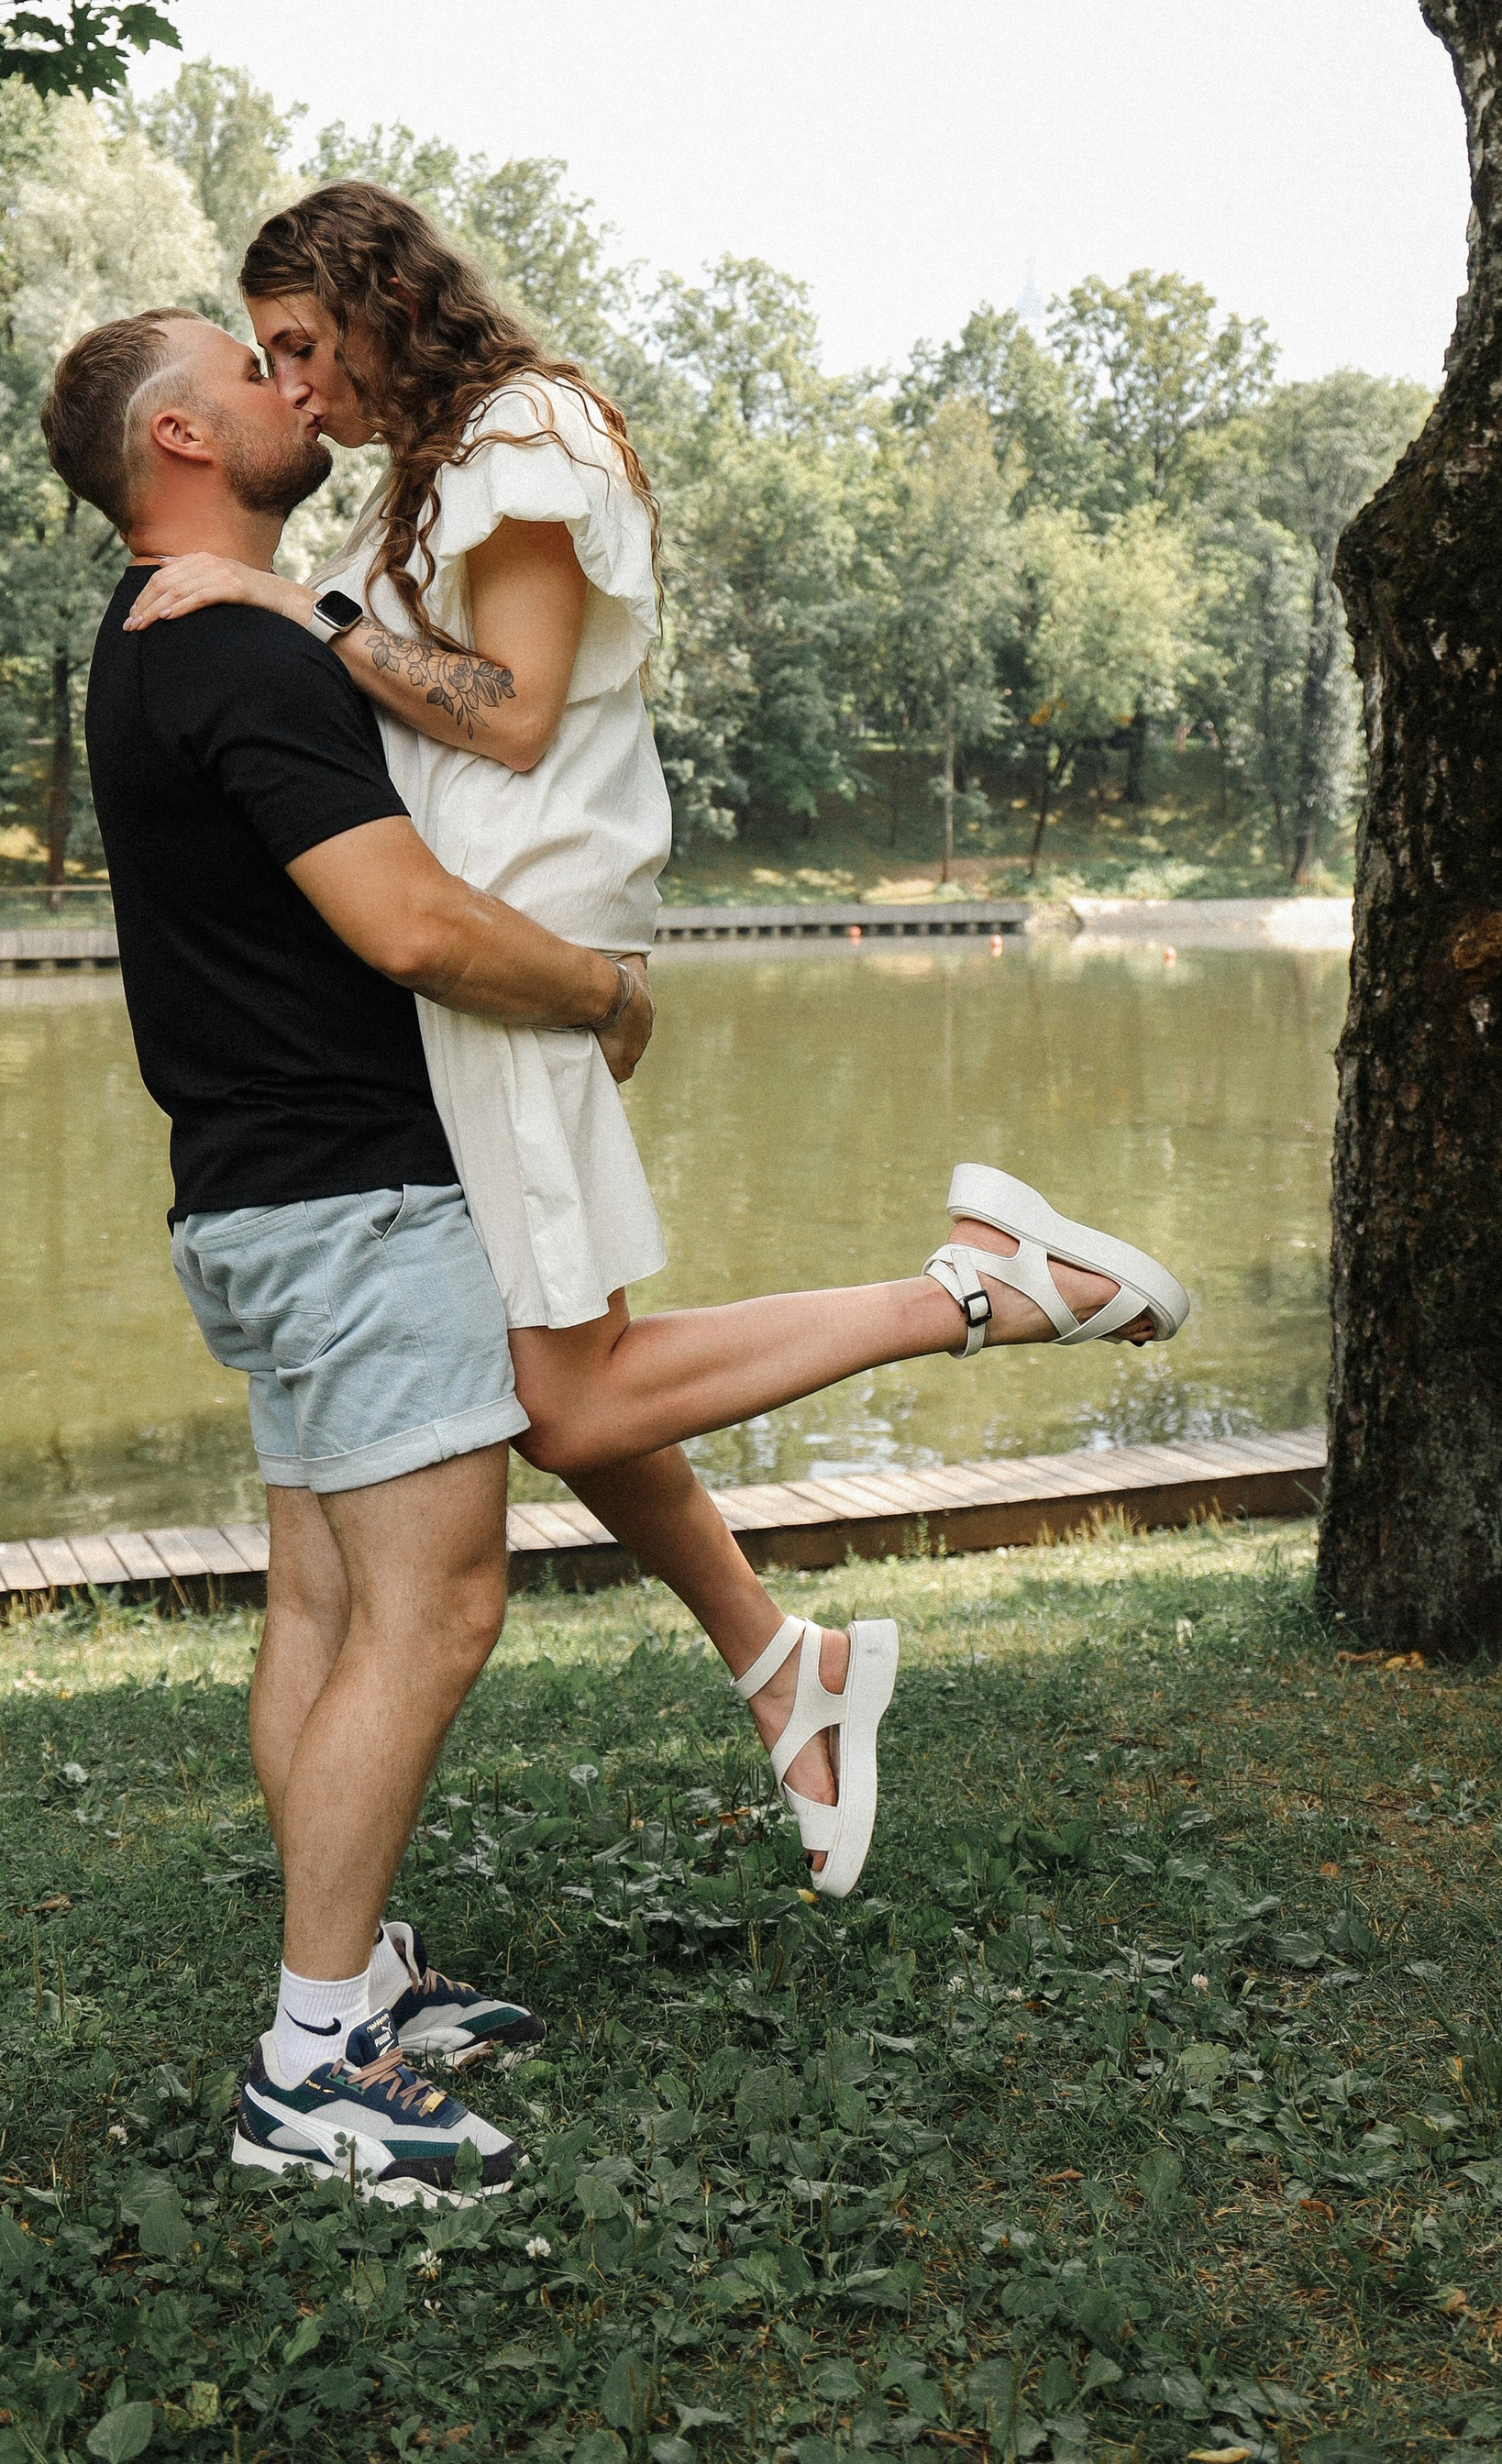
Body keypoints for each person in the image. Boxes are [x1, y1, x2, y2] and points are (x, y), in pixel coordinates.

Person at [122, 184, 1191, 1904]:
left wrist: (294, 615)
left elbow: (518, 716)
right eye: (272, 365)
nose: (299, 389)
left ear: (376, 298)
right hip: (463, 986)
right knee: (561, 1388)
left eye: (306, 346)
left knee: (565, 1396)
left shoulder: (528, 435)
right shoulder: (438, 470)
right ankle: (786, 1666)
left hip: (513, 956)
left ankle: (985, 1288)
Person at [41, 304, 656, 2204]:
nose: (287, 391)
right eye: (250, 371)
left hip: (255, 1201)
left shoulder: (164, 649)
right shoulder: (232, 656)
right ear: (178, 439)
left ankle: (358, 1975)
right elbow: (405, 927)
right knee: (435, 1608)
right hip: (356, 1203)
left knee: (319, 1607)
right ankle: (311, 2069)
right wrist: (596, 994)